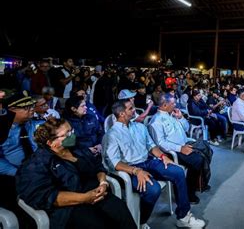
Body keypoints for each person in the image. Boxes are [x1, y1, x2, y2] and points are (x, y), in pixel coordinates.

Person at [16, 118, 136, 229]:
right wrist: (84, 198)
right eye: (66, 134)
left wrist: (103, 182)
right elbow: (46, 196)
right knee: (98, 224)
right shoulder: (37, 164)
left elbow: (97, 166)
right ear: (51, 143)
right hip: (70, 207)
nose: (72, 135)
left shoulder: (77, 148)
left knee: (122, 213)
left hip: (97, 194)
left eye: (71, 130)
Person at [103, 100, 205, 228]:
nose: (135, 110)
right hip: (129, 169)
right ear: (122, 113)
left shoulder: (139, 127)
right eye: (131, 108)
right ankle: (141, 222)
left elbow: (151, 146)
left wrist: (163, 156)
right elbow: (114, 163)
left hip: (148, 162)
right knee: (153, 189)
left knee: (178, 171)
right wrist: (136, 171)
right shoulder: (112, 134)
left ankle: (183, 217)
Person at [149, 93, 213, 204]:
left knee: (207, 149)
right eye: (173, 103)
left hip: (185, 143)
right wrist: (180, 148)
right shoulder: (156, 121)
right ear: (164, 105)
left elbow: (186, 128)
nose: (175, 105)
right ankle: (189, 193)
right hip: (172, 151)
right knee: (197, 160)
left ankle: (199, 183)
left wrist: (181, 117)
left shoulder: (172, 115)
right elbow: (160, 143)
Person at [0, 91, 37, 222]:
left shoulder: (34, 124)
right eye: (26, 108)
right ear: (11, 110)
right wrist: (17, 172)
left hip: (36, 168)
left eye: (32, 106)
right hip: (12, 174)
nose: (31, 110)